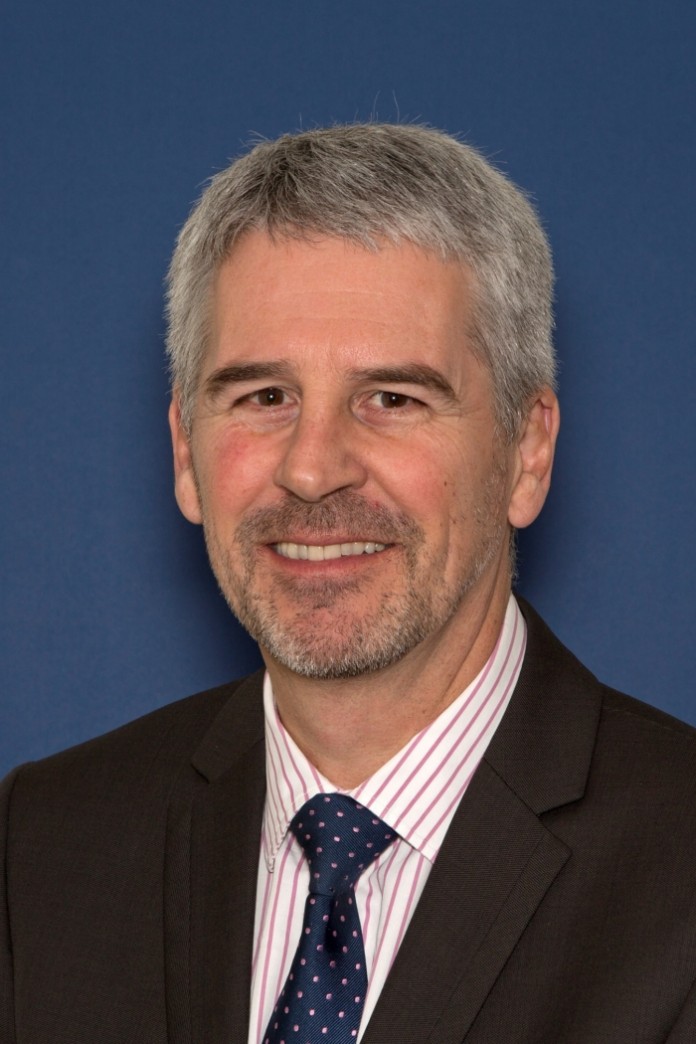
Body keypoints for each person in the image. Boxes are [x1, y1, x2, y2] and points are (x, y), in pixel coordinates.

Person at [2, 123, 695, 1044]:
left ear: (526, 453)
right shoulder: (42, 849)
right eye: (264, 398)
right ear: (184, 452)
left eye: (392, 399)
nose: (312, 468)